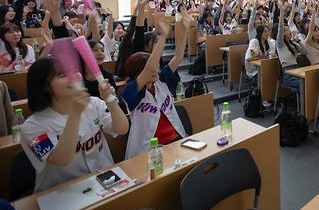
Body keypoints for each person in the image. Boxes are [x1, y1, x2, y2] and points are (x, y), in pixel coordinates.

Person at [20, 57, 129, 192]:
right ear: (45, 86)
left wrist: (110, 99)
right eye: (62, 74)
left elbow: (122, 129)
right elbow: (61, 159)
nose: (73, 76)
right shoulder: (31, 127)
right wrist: (75, 113)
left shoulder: (93, 103)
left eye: (74, 70)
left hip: (102, 180)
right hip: (61, 192)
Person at [122, 12, 191, 158]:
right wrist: (163, 36)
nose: (157, 69)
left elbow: (178, 57)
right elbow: (150, 69)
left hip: (175, 140)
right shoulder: (130, 91)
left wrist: (185, 29)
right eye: (152, 68)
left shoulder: (161, 80)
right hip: (148, 150)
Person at [0, 2, 35, 76]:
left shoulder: (28, 48)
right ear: (2, 35)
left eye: (17, 31)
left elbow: (32, 67)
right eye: (10, 32)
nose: (15, 34)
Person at [275, 0, 304, 90]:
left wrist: (298, 41)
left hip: (297, 70)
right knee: (305, 84)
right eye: (287, 30)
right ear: (283, 33)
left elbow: (305, 51)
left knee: (310, 81)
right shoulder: (280, 44)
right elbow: (280, 29)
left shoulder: (293, 43)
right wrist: (282, 12)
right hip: (288, 74)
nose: (290, 31)